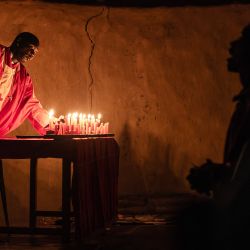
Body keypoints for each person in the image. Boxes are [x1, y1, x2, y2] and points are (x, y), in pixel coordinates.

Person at [0, 32, 51, 137]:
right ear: (19, 43)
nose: (32, 54)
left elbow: (31, 104)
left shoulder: (23, 76)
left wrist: (51, 127)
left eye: (35, 52)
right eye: (30, 49)